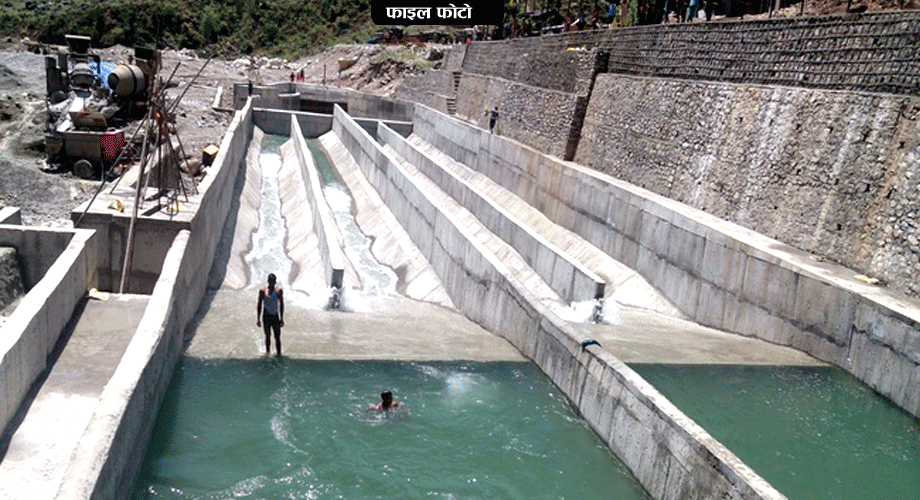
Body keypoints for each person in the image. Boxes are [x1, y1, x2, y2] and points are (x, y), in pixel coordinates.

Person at [256, 273, 284, 357]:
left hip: (275, 316)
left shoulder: (278, 291)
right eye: (270, 281)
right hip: (266, 316)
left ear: (275, 282)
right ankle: (268, 353)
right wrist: (258, 318)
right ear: (268, 281)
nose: (272, 283)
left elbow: (282, 304)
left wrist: (282, 318)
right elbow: (259, 304)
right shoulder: (263, 291)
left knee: (277, 336)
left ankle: (279, 354)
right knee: (267, 336)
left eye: (273, 282)